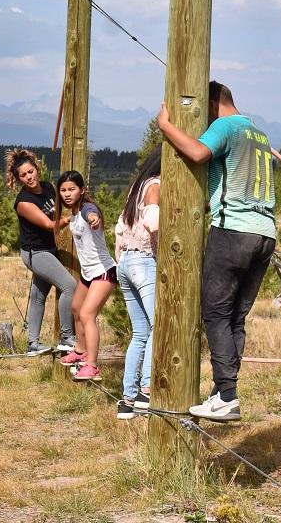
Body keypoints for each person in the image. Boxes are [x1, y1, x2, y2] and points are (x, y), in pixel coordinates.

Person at [156, 81, 276, 421]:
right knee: (235, 317)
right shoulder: (258, 134)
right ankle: (222, 391)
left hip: (234, 230)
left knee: (216, 314)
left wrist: (166, 126)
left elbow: (197, 153)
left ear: (211, 104)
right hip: (265, 233)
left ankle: (226, 395)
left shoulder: (224, 126)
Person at [7, 148, 76, 355]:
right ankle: (67, 336)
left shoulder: (47, 187)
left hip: (48, 250)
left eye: (31, 171)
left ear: (37, 168)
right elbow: (48, 224)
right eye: (23, 175)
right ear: (18, 179)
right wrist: (69, 219)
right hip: (35, 253)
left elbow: (66, 198)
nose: (29, 177)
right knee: (70, 287)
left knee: (38, 296)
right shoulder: (24, 202)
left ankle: (32, 344)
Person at [112, 147, 162, 420]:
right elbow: (153, 222)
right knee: (156, 326)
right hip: (144, 261)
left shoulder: (136, 187)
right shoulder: (155, 185)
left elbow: (120, 229)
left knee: (139, 333)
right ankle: (146, 389)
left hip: (126, 263)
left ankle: (127, 399)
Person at [54, 170, 117, 382]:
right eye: (63, 190)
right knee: (75, 308)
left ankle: (92, 365)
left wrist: (94, 219)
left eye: (72, 189)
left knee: (88, 314)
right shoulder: (72, 214)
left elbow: (92, 215)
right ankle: (80, 351)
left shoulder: (86, 210)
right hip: (88, 273)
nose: (67, 194)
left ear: (82, 190)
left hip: (104, 271)